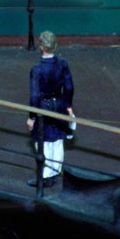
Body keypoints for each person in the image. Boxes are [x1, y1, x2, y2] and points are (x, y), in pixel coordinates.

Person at [27, 30, 75, 187]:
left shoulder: (37, 69)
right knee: (57, 141)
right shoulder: (63, 64)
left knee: (44, 142)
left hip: (44, 107)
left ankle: (45, 176)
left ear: (41, 46)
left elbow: (34, 96)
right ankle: (55, 172)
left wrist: (32, 116)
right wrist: (67, 105)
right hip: (59, 104)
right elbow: (69, 87)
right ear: (55, 46)